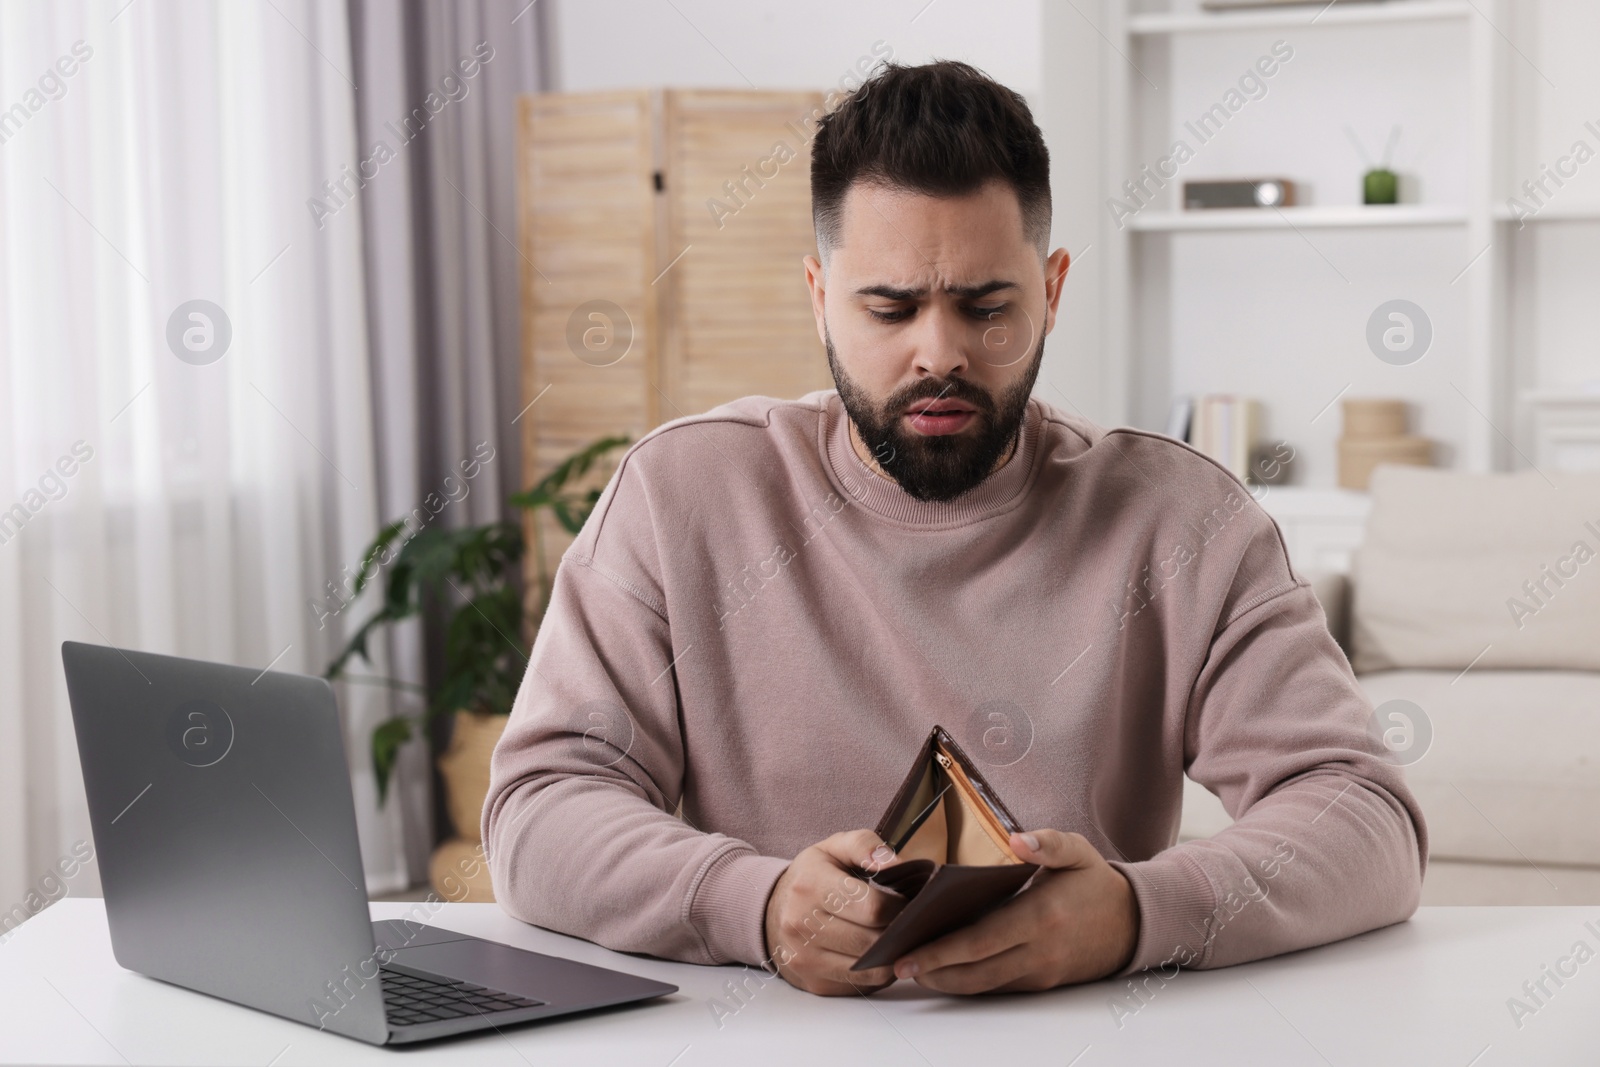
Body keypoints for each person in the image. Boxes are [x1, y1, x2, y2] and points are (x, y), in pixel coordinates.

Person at [483, 59, 1426, 998]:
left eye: (987, 308)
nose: (940, 353)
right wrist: (755, 902)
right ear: (819, 297)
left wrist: (1137, 914)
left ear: (1052, 292)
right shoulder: (680, 493)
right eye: (889, 307)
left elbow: (1367, 816)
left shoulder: (1183, 519)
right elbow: (537, 809)